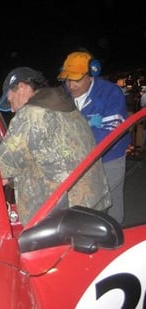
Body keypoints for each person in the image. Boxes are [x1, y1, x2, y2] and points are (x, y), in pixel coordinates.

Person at [0, 67, 111, 226]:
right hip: (94, 205)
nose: (12, 109)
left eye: (10, 101)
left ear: (22, 88)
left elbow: (0, 167)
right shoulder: (67, 108)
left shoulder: (33, 114)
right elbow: (50, 159)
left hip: (65, 219)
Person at [58, 50, 131, 223]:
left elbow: (110, 135)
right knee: (84, 203)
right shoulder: (63, 95)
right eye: (68, 79)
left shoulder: (110, 93)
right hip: (79, 160)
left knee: (111, 204)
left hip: (109, 158)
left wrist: (72, 142)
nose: (71, 85)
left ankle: (114, 240)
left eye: (76, 79)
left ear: (91, 73)